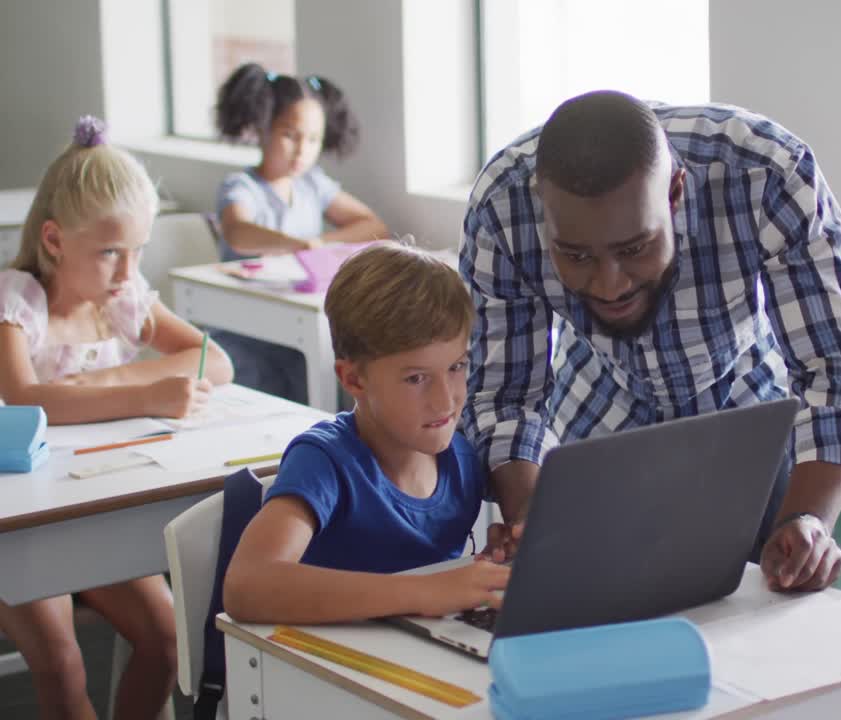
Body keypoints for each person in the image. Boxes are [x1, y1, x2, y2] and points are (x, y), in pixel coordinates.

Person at [460, 90, 841, 592]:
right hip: (598, 414)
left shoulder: (766, 173)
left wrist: (808, 519)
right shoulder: (501, 205)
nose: (610, 283)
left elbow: (834, 363)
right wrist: (533, 519)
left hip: (746, 413)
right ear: (539, 207)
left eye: (634, 247)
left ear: (675, 193)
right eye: (576, 255)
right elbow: (503, 396)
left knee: (765, 632)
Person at [0, 115, 233, 719]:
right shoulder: (17, 304)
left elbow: (216, 362)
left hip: (92, 503)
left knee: (166, 638)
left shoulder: (121, 299)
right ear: (53, 241)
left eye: (138, 251)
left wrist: (118, 379)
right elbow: (26, 396)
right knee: (62, 664)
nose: (129, 272)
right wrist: (146, 393)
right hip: (20, 522)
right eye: (109, 252)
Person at [223, 242, 508, 624]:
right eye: (416, 378)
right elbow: (247, 586)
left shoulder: (462, 458)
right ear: (353, 378)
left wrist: (489, 566)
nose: (446, 401)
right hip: (318, 671)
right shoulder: (325, 461)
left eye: (457, 367)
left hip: (416, 663)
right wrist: (426, 592)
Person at [213, 62, 388, 404]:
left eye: (313, 139)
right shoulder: (242, 187)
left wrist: (320, 244)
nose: (302, 149)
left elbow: (373, 225)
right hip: (246, 331)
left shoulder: (312, 184)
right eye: (289, 135)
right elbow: (237, 232)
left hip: (299, 330)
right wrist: (297, 246)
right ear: (262, 129)